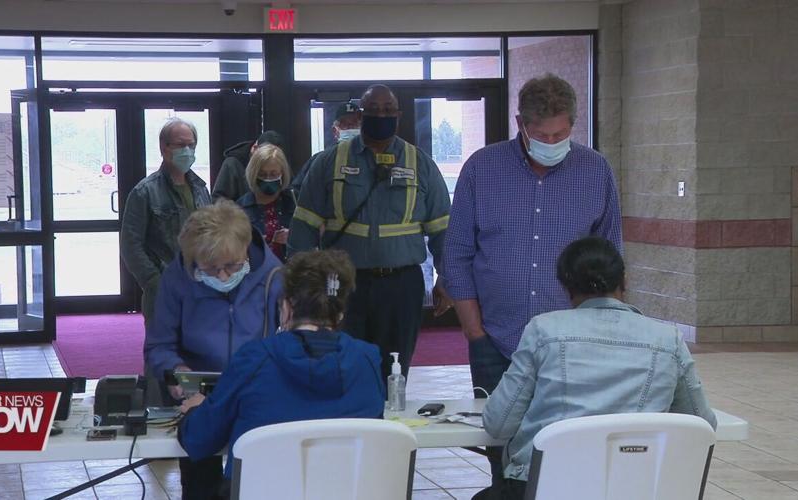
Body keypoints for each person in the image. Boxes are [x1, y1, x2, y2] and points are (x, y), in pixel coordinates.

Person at [442, 74, 622, 484]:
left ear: (572, 125)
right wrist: (474, 332)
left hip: (576, 344)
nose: (551, 141)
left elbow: (612, 257)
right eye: (541, 133)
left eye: (560, 133)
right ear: (521, 123)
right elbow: (456, 254)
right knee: (503, 453)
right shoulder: (482, 169)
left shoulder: (596, 171)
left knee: (569, 450)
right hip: (497, 340)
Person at [475, 237, 717, 500]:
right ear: (624, 279)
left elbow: (498, 423)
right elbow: (702, 422)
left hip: (548, 486)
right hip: (637, 488)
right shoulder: (668, 339)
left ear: (565, 285)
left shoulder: (544, 330)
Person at [177, 249, 385, 497]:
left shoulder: (254, 359)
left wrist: (197, 410)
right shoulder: (368, 360)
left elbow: (198, 440)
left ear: (286, 307)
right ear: (340, 313)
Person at [289, 84, 453, 382]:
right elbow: (303, 227)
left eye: (388, 110)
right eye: (374, 110)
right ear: (361, 115)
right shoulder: (329, 162)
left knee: (395, 368)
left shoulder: (420, 164)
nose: (382, 115)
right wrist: (299, 287)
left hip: (401, 284)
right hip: (343, 285)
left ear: (399, 115)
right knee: (342, 363)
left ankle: (389, 425)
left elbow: (443, 229)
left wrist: (447, 278)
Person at [145, 200, 283, 500]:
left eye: (231, 266)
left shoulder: (274, 276)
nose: (222, 276)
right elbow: (159, 345)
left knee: (257, 486)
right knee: (200, 488)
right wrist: (176, 373)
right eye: (210, 268)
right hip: (198, 399)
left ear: (246, 249)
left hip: (255, 398)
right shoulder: (177, 277)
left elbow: (291, 338)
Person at [120, 117, 212, 330]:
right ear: (164, 147)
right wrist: (155, 282)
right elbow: (130, 246)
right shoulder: (145, 192)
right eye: (180, 145)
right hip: (164, 290)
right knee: (164, 357)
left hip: (202, 288)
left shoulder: (200, 189)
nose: (187, 150)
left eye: (191, 145)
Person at [236, 144, 296, 262]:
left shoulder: (294, 202)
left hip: (291, 272)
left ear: (282, 174)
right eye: (262, 175)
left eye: (274, 174)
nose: (268, 179)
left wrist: (293, 237)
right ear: (254, 174)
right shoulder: (239, 209)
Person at [291, 100, 362, 194]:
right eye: (344, 124)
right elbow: (297, 193)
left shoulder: (371, 159)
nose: (350, 128)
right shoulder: (320, 160)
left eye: (355, 124)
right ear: (335, 131)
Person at [212, 130, 286, 201]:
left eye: (273, 174)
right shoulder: (232, 164)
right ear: (254, 148)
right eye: (262, 174)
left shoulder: (277, 161)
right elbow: (219, 199)